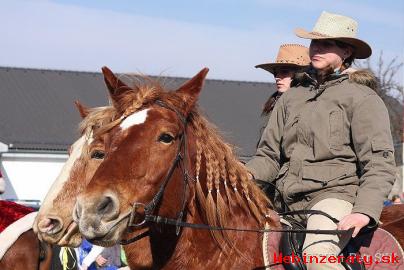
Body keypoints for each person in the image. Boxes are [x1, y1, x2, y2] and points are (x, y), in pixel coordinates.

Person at [246, 11, 396, 270]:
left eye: (326, 44)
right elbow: (268, 156)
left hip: (333, 198)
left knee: (318, 258)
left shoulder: (361, 99)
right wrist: (241, 176)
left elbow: (379, 164)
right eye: (315, 43)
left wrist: (364, 211)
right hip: (284, 201)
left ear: (347, 51)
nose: (317, 49)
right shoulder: (291, 99)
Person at [255, 44, 310, 135]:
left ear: (300, 75)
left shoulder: (312, 106)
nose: (277, 77)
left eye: (284, 72)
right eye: (276, 73)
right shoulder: (274, 103)